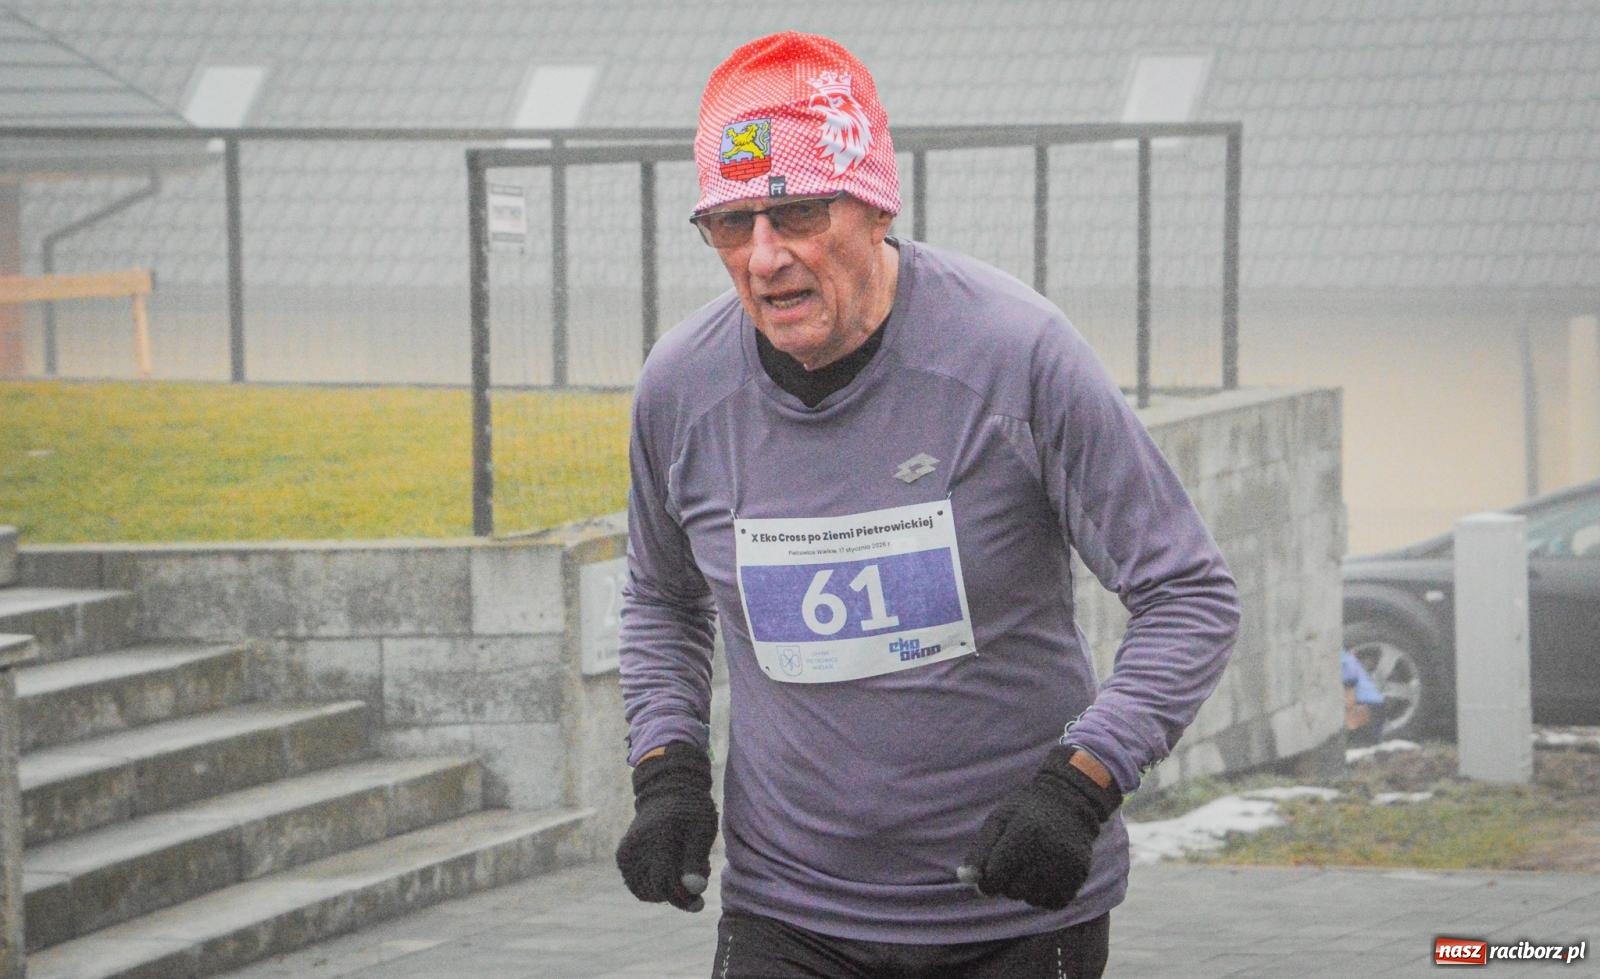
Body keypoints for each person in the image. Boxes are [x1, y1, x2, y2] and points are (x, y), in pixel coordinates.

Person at [614, 31, 1240, 978]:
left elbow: (1189, 594)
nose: (765, 257)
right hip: (789, 910)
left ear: (871, 204)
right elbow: (662, 596)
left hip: (1012, 908)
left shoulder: (1014, 355)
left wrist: (1082, 783)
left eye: (796, 214)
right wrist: (666, 768)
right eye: (731, 224)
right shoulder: (682, 390)